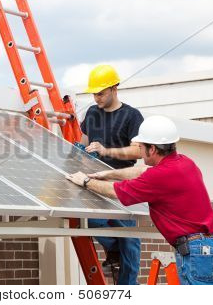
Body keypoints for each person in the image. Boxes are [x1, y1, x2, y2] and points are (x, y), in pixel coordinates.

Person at [67, 115, 213, 285]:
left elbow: (116, 192)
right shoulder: (185, 163)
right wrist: (107, 173)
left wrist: (86, 181)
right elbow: (142, 171)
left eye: (141, 147)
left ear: (152, 149)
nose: (139, 151)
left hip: (197, 253)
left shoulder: (159, 176)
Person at [79, 64, 143, 285]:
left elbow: (138, 151)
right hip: (95, 179)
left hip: (121, 179)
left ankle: (128, 288)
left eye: (101, 93)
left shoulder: (132, 116)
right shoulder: (92, 113)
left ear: (114, 88)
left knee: (130, 239)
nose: (96, 98)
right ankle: (115, 251)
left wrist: (106, 150)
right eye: (94, 93)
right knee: (92, 222)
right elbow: (83, 143)